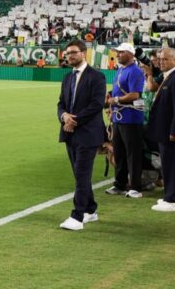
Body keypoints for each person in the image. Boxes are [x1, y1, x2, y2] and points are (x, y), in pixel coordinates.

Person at [57, 39, 107, 231]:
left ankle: (77, 217)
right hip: (70, 133)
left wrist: (73, 120)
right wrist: (64, 116)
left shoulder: (97, 76)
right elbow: (60, 103)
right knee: (79, 175)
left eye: (73, 52)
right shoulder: (67, 78)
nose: (69, 56)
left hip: (88, 133)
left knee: (82, 174)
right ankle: (90, 209)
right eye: (67, 53)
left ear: (84, 53)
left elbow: (96, 104)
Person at [148, 47, 175, 212]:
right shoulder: (172, 76)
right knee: (172, 163)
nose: (160, 62)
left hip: (170, 130)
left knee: (170, 164)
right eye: (159, 59)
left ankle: (171, 199)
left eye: (165, 59)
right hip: (166, 128)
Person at [105, 43, 146, 199]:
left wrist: (115, 100)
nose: (118, 54)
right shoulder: (121, 69)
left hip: (131, 117)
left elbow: (135, 95)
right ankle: (120, 184)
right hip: (119, 116)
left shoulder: (135, 71)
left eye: (121, 52)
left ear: (130, 54)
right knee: (120, 152)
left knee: (132, 153)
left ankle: (135, 187)